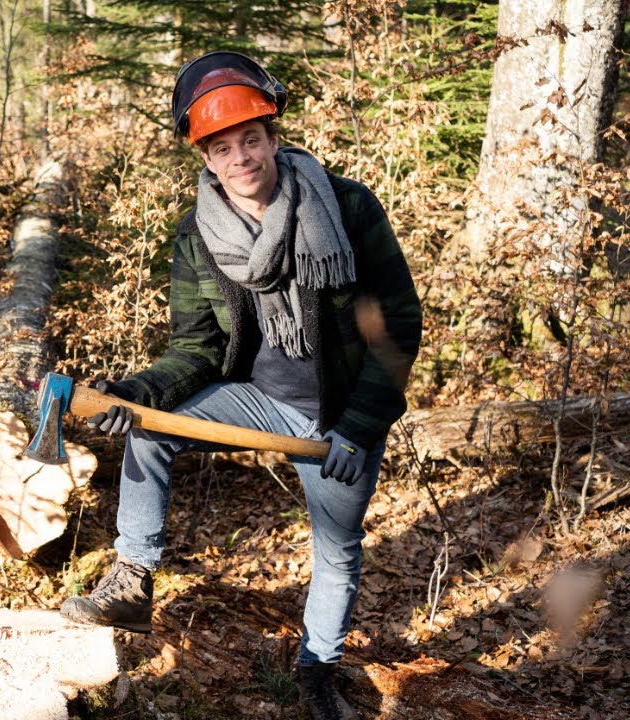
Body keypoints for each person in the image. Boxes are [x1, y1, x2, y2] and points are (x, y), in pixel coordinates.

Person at [58, 52, 422, 720]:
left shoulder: (345, 206)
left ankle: (318, 671)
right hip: (258, 401)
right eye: (222, 147)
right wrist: (133, 395)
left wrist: (362, 425)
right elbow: (196, 348)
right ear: (205, 157)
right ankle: (133, 577)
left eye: (250, 139)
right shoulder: (197, 236)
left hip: (341, 417)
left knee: (336, 553)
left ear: (274, 138)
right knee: (149, 428)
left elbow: (397, 324)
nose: (241, 157)